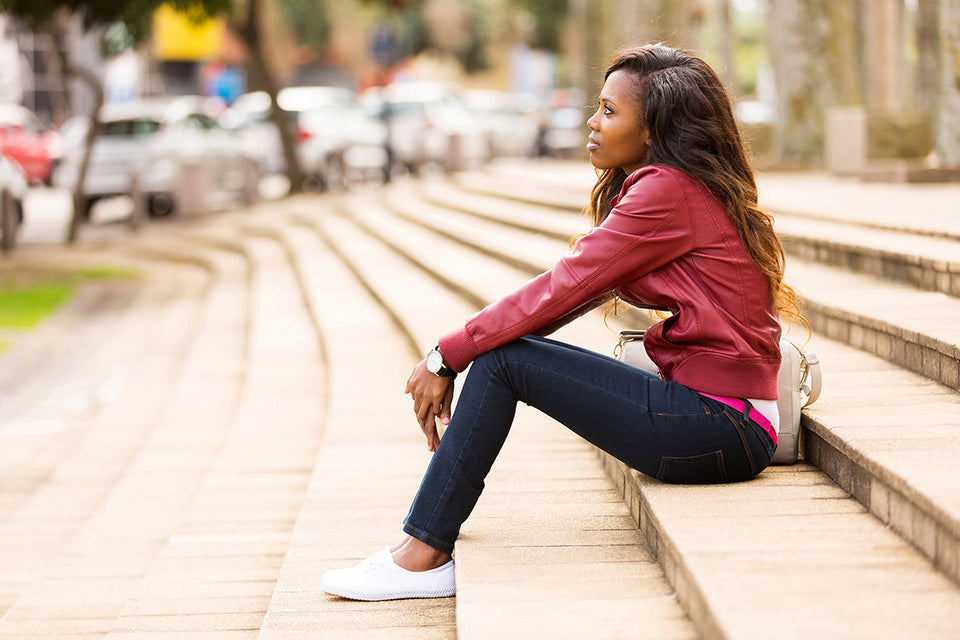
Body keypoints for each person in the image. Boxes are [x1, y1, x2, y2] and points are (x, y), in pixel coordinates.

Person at [320, 43, 801, 601]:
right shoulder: (675, 187)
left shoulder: (667, 191)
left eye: (609, 111)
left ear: (653, 130)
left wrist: (447, 355)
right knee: (506, 356)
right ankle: (422, 548)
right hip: (723, 419)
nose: (592, 122)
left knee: (502, 361)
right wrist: (464, 351)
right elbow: (570, 296)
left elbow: (558, 289)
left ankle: (421, 554)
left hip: (722, 424)